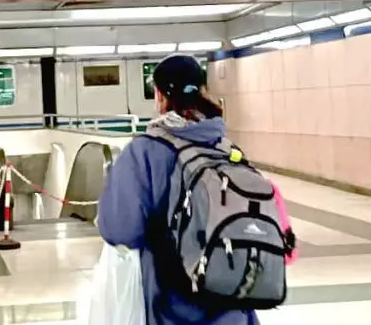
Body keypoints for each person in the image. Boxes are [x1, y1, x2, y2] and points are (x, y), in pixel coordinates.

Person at [98, 54, 260, 325]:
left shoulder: (143, 152)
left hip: (171, 306)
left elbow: (120, 230)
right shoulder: (225, 148)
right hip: (233, 305)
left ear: (159, 97)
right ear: (202, 92)